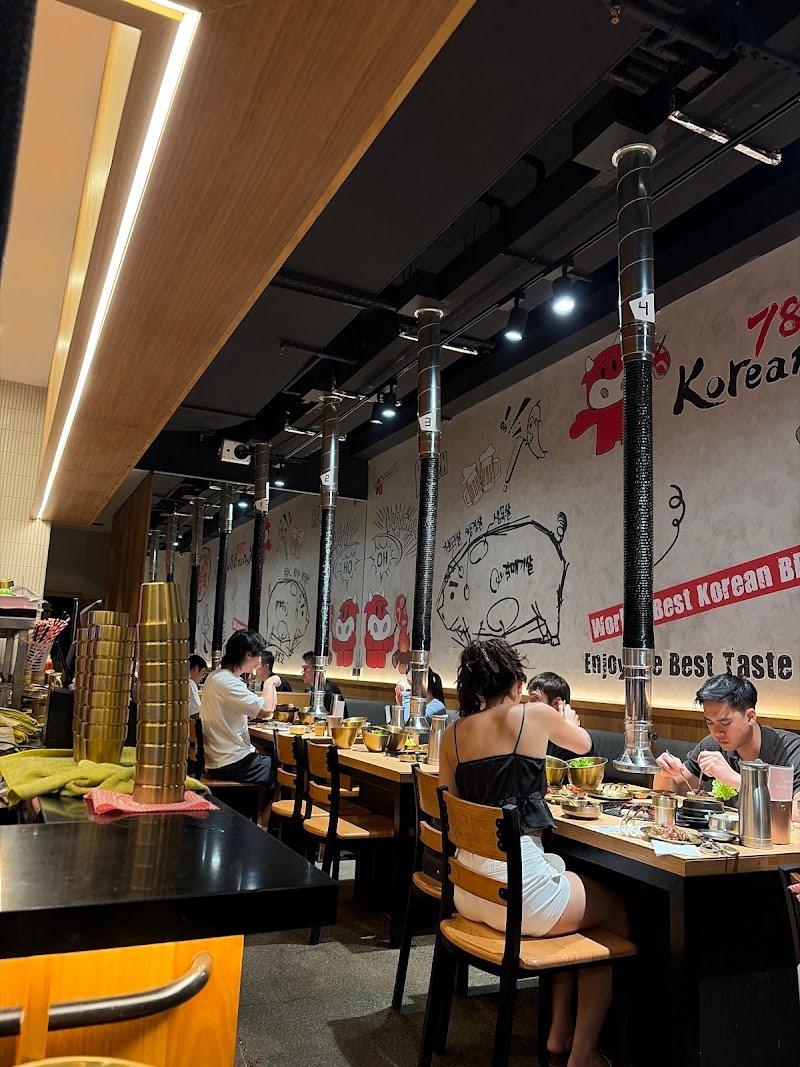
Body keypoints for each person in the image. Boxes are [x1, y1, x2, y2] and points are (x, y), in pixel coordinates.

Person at [438, 638, 629, 1067]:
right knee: (615, 913)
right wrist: (566, 719)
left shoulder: (452, 736)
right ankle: (583, 1052)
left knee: (567, 886)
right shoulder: (534, 714)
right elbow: (583, 745)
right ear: (517, 681)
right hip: (518, 897)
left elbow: (450, 807)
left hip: (469, 892)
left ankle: (559, 1034)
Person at [654, 674, 800, 805]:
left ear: (750, 717)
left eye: (725, 723)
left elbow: (796, 814)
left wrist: (735, 780)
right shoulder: (713, 744)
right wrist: (664, 774)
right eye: (710, 723)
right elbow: (675, 788)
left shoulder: (791, 751)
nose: (716, 732)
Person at [200, 630, 273, 790]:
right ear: (248, 655)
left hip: (218, 758)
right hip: (230, 762)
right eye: (258, 655)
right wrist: (269, 683)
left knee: (270, 758)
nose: (259, 661)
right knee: (281, 767)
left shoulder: (215, 676)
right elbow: (266, 710)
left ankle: (262, 807)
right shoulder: (228, 681)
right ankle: (269, 808)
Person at [528, 671, 596, 763]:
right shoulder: (533, 729)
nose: (528, 704)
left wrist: (569, 728)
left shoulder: (572, 739)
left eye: (535, 698)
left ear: (556, 703)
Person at [188, 654, 208, 718]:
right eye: (203, 673)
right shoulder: (190, 683)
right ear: (196, 669)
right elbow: (197, 713)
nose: (201, 679)